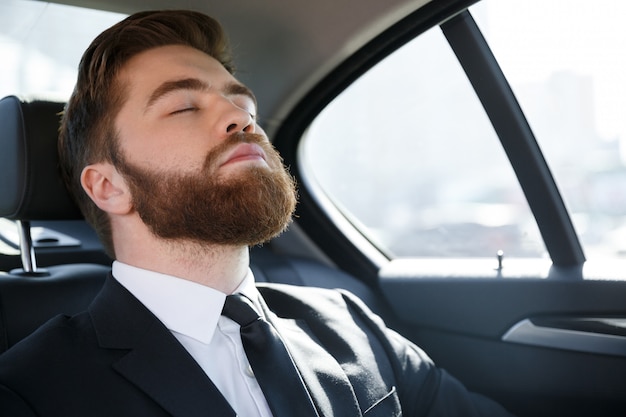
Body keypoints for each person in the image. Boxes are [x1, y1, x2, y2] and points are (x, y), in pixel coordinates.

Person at [0, 10, 514, 417]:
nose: (240, 119)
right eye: (183, 107)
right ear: (109, 186)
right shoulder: (31, 392)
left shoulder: (351, 324)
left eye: (242, 105)